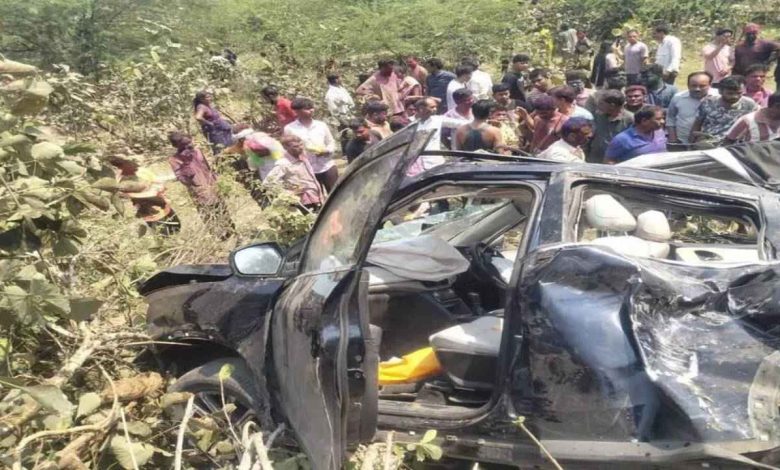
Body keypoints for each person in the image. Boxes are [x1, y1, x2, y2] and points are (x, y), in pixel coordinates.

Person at [168, 132, 235, 240]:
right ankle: (219, 236)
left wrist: (217, 183)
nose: (190, 145)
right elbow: (184, 180)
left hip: (212, 186)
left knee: (222, 209)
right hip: (199, 192)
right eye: (185, 144)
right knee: (209, 214)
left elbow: (208, 168)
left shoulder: (197, 151)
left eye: (189, 142)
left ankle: (232, 231)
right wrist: (186, 163)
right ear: (177, 146)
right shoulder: (174, 160)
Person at [109, 154, 180, 235]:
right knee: (169, 233)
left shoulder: (138, 172)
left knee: (172, 232)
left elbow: (158, 183)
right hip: (154, 212)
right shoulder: (126, 179)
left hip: (159, 209)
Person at [283, 97, 338, 192]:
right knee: (315, 198)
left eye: (312, 107)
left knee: (336, 194)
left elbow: (331, 142)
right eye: (307, 109)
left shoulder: (321, 125)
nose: (311, 110)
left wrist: (327, 151)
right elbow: (289, 149)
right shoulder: (290, 129)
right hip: (306, 169)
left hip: (327, 165)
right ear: (297, 111)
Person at [406, 97, 469, 175]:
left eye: (436, 107)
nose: (435, 109)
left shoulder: (437, 120)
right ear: (421, 108)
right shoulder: (407, 123)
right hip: (415, 166)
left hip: (435, 162)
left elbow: (460, 123)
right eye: (432, 107)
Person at [264, 134, 326, 212]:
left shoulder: (303, 156)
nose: (300, 148)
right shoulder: (284, 164)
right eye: (295, 146)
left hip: (316, 196)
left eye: (301, 145)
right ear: (285, 147)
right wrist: (288, 193)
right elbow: (267, 183)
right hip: (303, 202)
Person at [690, 76, 759, 144]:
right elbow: (697, 123)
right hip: (709, 142)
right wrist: (692, 142)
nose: (735, 96)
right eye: (730, 93)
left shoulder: (749, 104)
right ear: (720, 91)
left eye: (739, 93)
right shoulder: (708, 103)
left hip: (735, 144)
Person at [667, 72, 719, 144]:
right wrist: (673, 139)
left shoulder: (718, 97)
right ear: (688, 85)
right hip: (682, 142)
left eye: (702, 86)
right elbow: (670, 118)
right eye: (693, 86)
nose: (697, 89)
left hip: (710, 143)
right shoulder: (678, 97)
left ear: (710, 85)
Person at [586, 90, 634, 163]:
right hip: (594, 160)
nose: (598, 106)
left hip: (617, 162)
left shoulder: (630, 119)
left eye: (601, 103)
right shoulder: (597, 115)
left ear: (612, 105)